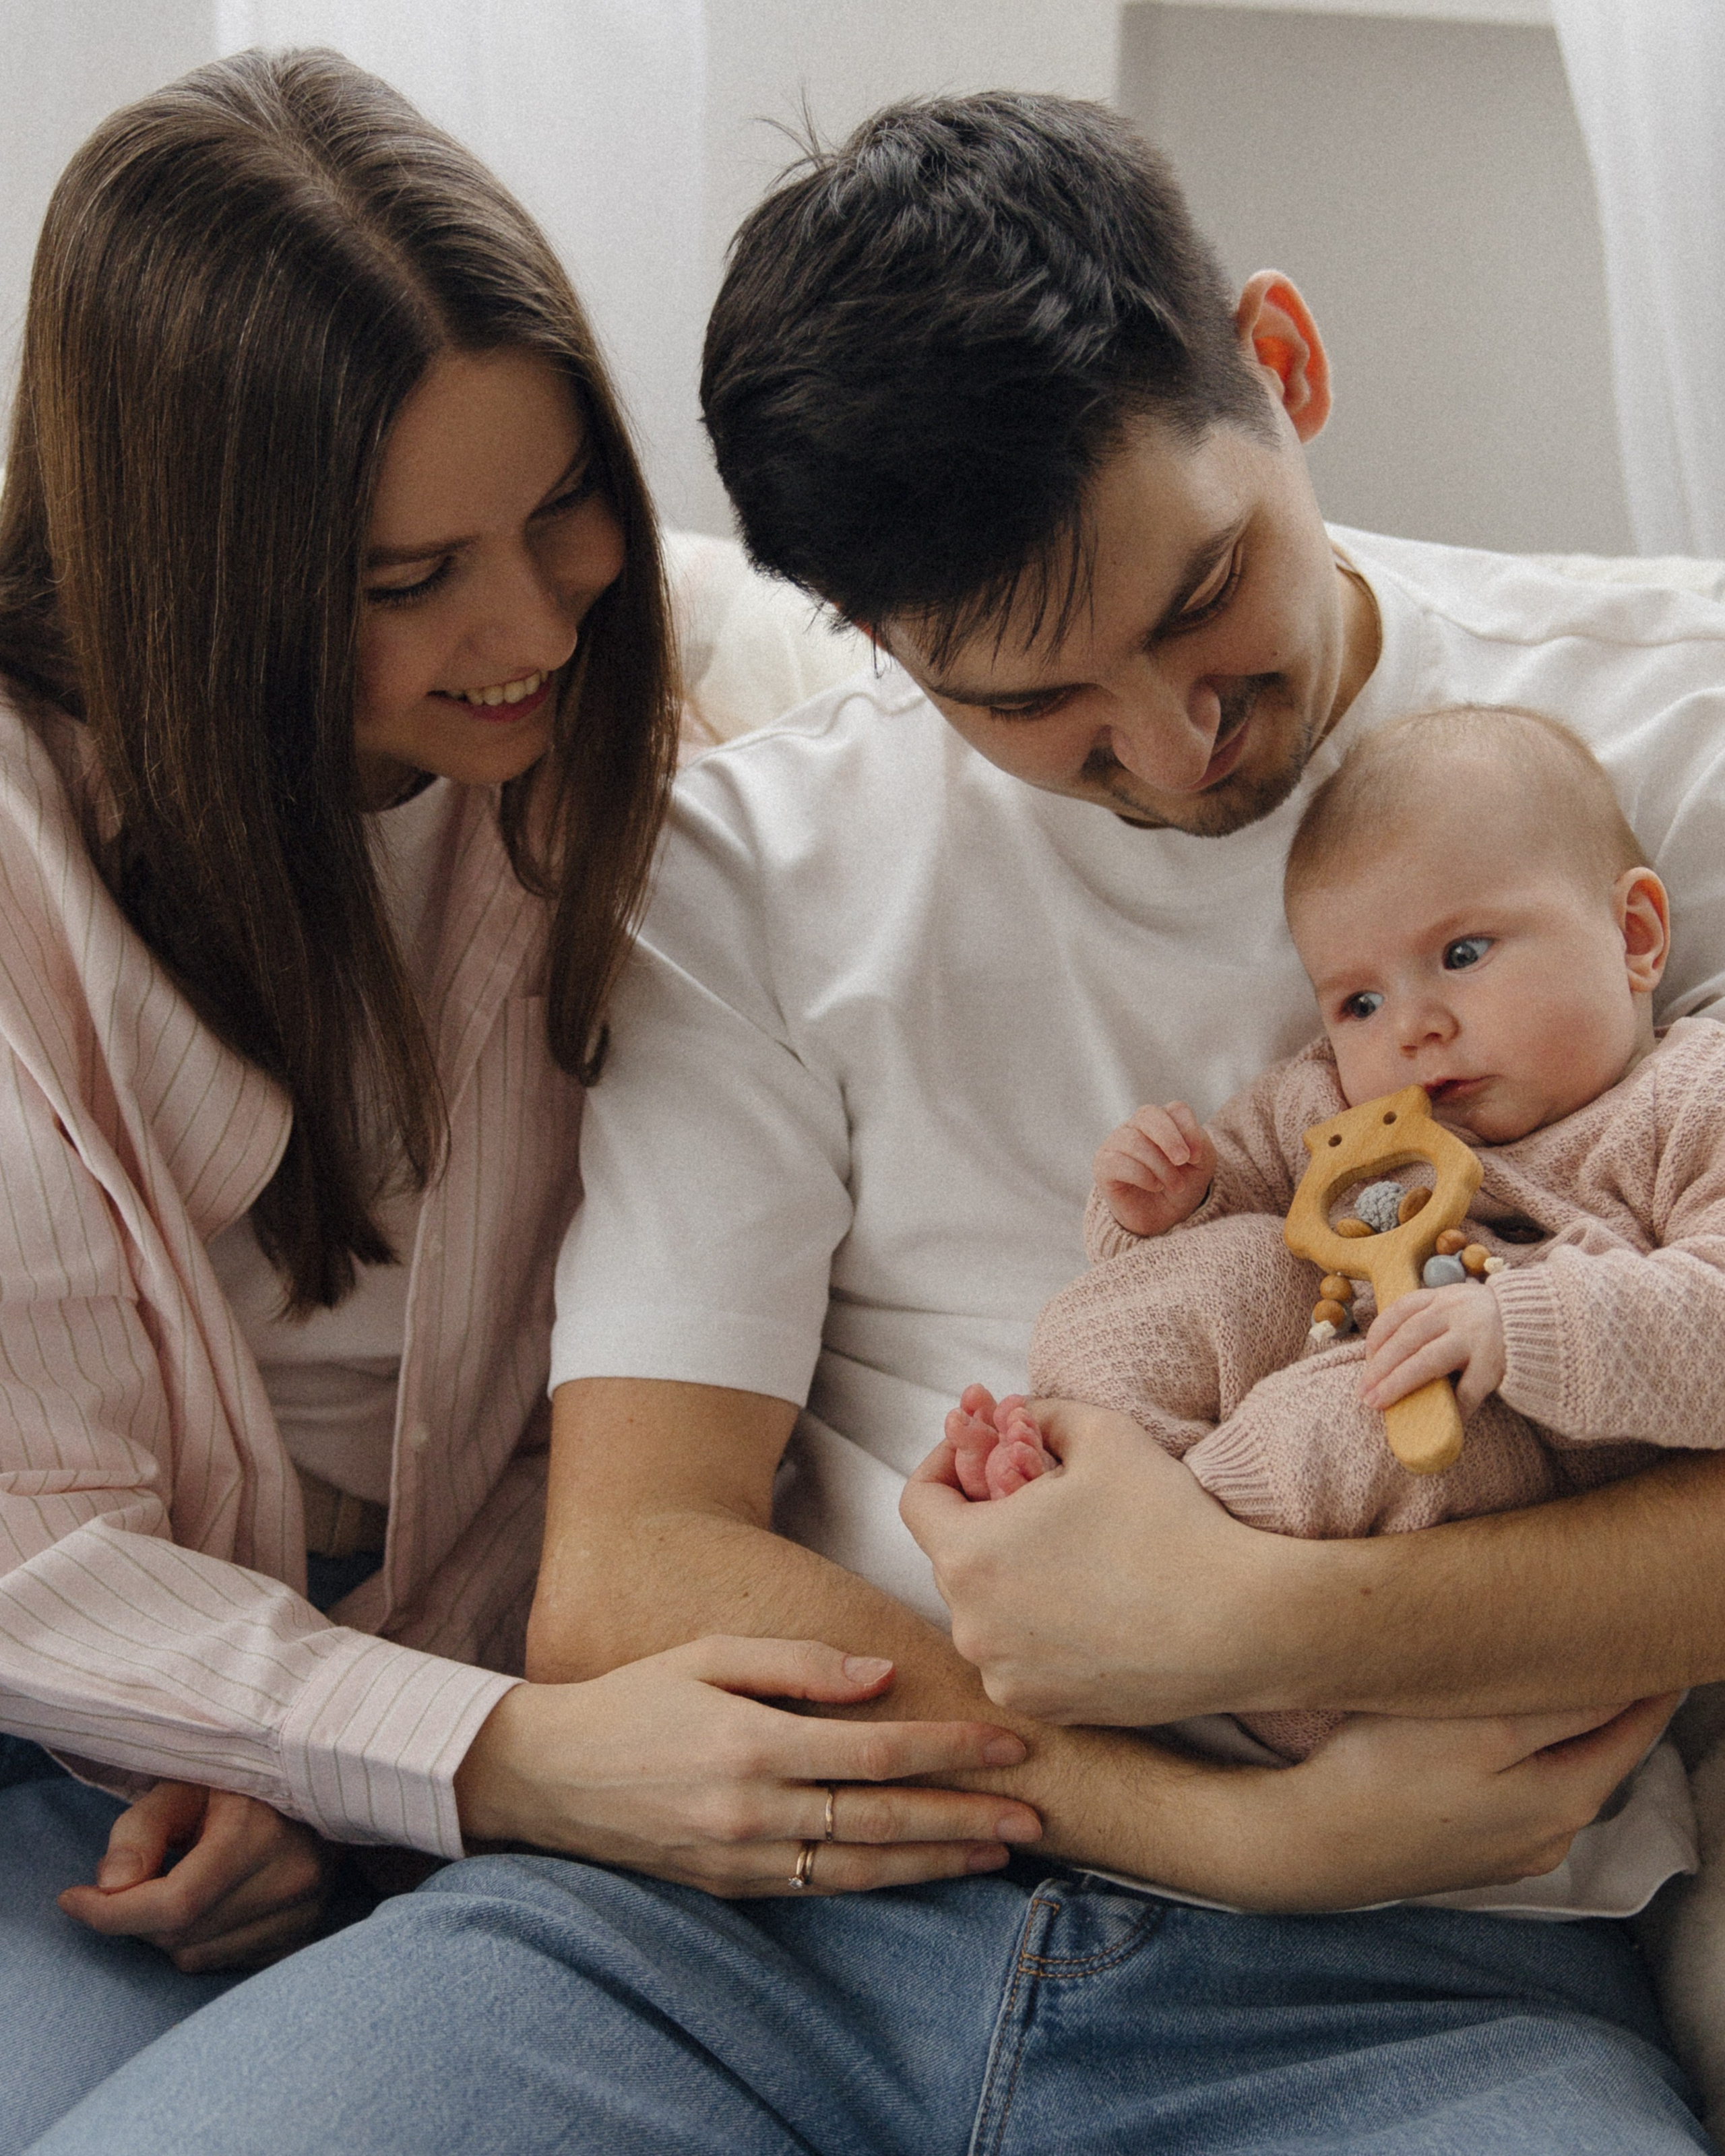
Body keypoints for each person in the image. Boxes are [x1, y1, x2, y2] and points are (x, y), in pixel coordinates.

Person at [36, 90, 1725, 2156]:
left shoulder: (1668, 734)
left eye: (1201, 593)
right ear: (862, 625)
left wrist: (1249, 1624)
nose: (1175, 743)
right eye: (1032, 701)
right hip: (755, 1920)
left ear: (1280, 365)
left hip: (1420, 1967)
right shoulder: (748, 864)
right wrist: (1190, 1804)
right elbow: (628, 1570)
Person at [0, 56, 1040, 2154]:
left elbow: (636, 1402)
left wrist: (367, 1757)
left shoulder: (639, 757)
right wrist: (446, 1754)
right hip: (87, 1731)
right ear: (201, 574)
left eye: (565, 503)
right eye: (408, 580)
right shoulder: (35, 875)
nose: (535, 618)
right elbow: (45, 1557)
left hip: (448, 1709)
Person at [951, 703, 1725, 1775]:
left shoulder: (1687, 1102)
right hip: (1319, 1345)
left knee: (1344, 1430)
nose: (1411, 1026)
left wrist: (1521, 1325)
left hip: (1512, 1463)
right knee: (1198, 1283)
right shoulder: (1336, 1104)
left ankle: (1182, 1629)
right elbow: (1239, 1209)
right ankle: (1077, 1479)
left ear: (1634, 937)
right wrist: (1169, 1203)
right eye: (1359, 1000)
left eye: (1462, 954)